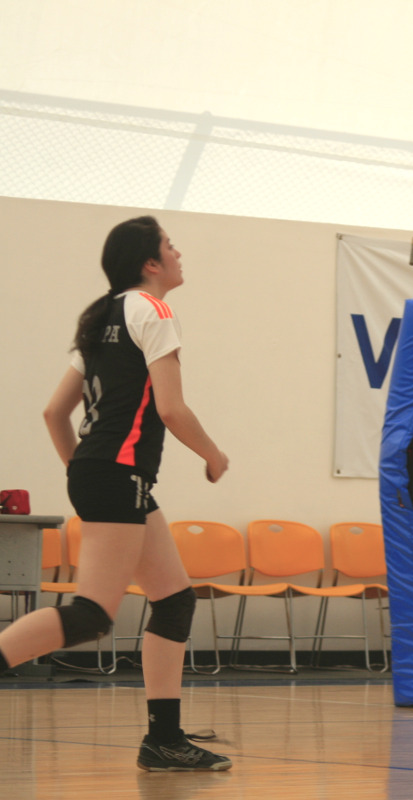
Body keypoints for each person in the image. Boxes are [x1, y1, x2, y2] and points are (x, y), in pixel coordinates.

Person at [0, 216, 231, 771]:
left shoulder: (100, 316)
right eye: (170, 247)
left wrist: (84, 471)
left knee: (175, 601)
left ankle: (163, 740)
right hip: (117, 475)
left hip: (109, 474)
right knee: (91, 615)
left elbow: (56, 412)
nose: (178, 254)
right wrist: (214, 455)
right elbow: (172, 409)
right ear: (151, 264)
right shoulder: (152, 310)